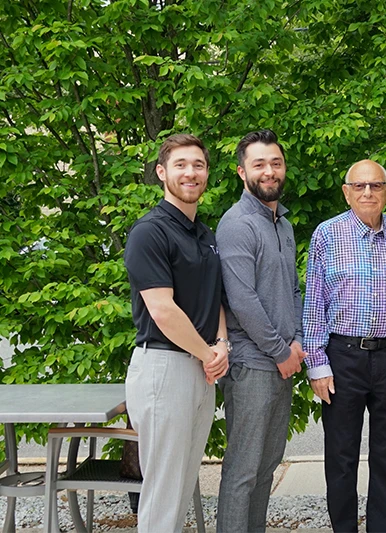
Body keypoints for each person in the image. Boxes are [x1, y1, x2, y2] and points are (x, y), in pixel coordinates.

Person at [302, 160, 386, 532]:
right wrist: (317, 364)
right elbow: (314, 302)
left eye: (375, 185)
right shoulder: (327, 234)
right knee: (341, 456)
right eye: (359, 186)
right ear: (346, 191)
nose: (367, 192)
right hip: (343, 358)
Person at [124, 133, 229, 532]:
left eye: (198, 165)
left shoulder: (203, 234)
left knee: (182, 487)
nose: (191, 172)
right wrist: (208, 353)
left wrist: (221, 345)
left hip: (201, 367)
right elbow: (163, 310)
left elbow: (215, 298)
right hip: (165, 368)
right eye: (181, 165)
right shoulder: (149, 232)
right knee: (163, 493)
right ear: (162, 172)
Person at [215, 130, 306, 532]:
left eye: (275, 162)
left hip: (283, 360)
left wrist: (298, 340)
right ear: (242, 172)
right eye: (259, 164)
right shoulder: (236, 225)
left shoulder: (283, 223)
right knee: (243, 473)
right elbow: (242, 300)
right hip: (253, 365)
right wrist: (280, 351)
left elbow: (294, 288)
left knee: (268, 467)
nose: (269, 171)